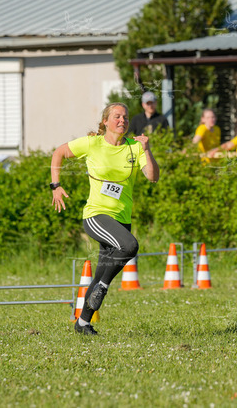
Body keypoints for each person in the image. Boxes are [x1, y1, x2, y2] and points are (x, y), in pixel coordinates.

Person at [50, 103, 159, 335]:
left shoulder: (135, 147)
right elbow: (58, 153)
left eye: (125, 117)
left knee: (102, 271)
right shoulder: (93, 143)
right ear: (105, 122)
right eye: (117, 117)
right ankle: (103, 286)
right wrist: (56, 186)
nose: (122, 121)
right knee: (129, 246)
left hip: (122, 219)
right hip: (96, 216)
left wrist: (147, 150)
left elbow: (152, 177)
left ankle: (82, 323)